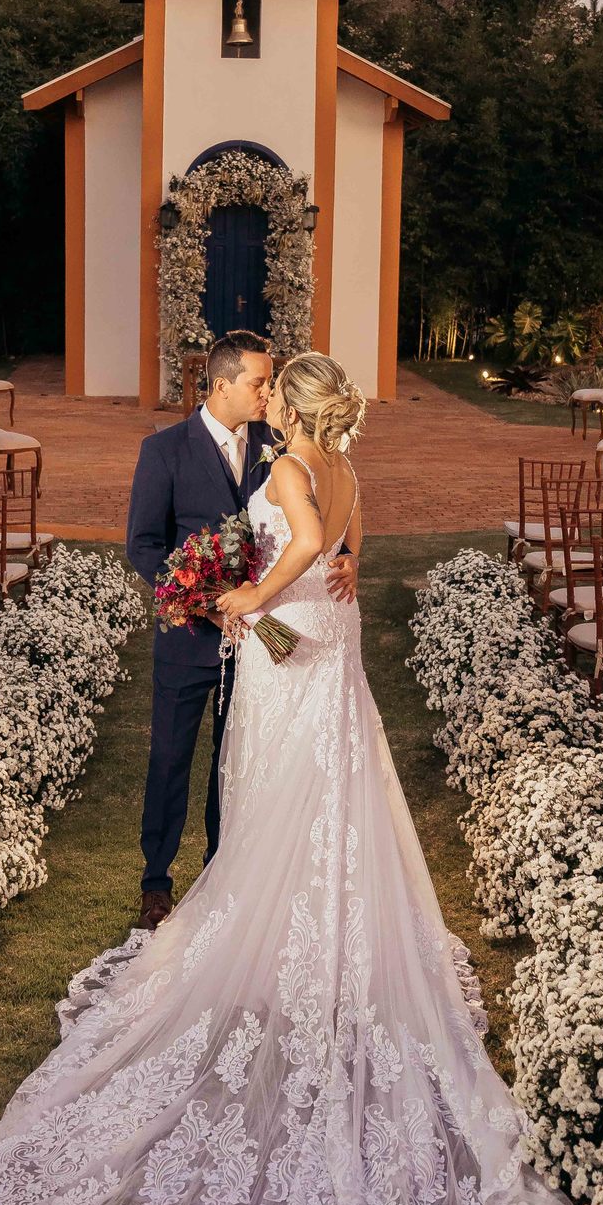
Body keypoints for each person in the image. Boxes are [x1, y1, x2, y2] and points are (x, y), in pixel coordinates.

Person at [0, 351, 576, 1205]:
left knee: (283, 782)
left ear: (296, 403)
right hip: (324, 648)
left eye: (279, 388)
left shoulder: (288, 467)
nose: (269, 396)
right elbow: (346, 543)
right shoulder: (344, 462)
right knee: (326, 788)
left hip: (293, 644)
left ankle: (271, 920)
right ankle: (308, 915)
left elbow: (311, 543)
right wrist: (333, 571)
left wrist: (251, 593)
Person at [122, 330, 355, 932]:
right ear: (221, 384)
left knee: (241, 760)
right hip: (190, 638)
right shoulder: (165, 451)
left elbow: (319, 519)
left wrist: (347, 555)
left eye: (272, 383)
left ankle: (224, 871)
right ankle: (156, 880)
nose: (267, 392)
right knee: (172, 757)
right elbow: (143, 546)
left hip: (260, 642)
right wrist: (197, 598)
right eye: (258, 382)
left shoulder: (278, 450)